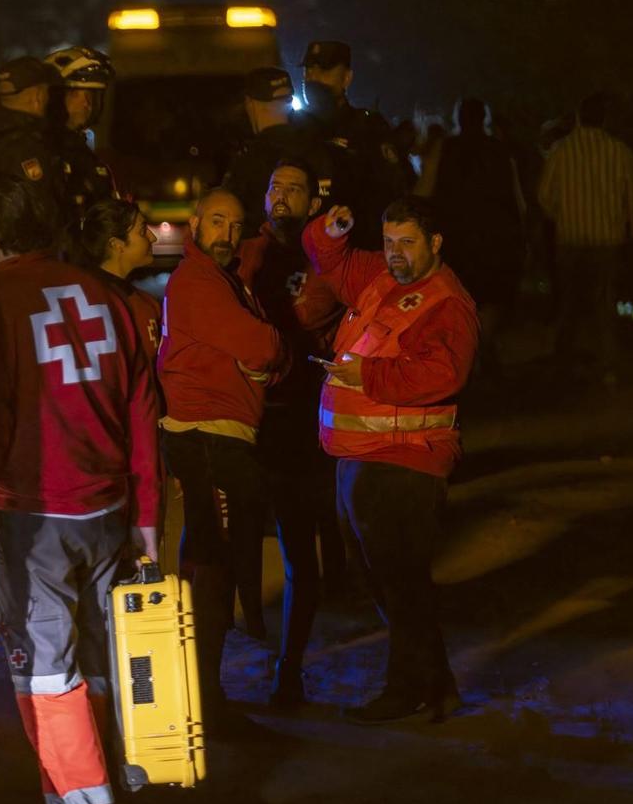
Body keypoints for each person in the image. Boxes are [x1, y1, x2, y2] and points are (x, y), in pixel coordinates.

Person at [0, 172, 159, 804]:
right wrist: (148, 520)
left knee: (42, 667)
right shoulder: (109, 294)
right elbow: (143, 414)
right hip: (107, 510)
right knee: (93, 664)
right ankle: (74, 803)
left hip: (35, 512)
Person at [304, 196, 479, 723]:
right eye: (388, 242)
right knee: (387, 582)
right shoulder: (383, 275)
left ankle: (410, 691)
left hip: (404, 461)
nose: (395, 254)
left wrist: (369, 378)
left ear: (435, 243)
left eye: (407, 243)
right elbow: (329, 263)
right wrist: (331, 230)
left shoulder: (447, 303)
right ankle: (432, 684)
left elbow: (444, 375)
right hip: (363, 456)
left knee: (400, 583)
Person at [158, 186, 286, 701]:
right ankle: (206, 696)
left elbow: (269, 359)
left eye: (235, 225)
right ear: (195, 223)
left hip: (216, 436)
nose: (227, 235)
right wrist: (269, 349)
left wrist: (266, 360)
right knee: (212, 570)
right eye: (216, 222)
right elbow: (265, 346)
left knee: (209, 563)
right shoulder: (199, 282)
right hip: (209, 438)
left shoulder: (223, 278)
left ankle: (203, 690)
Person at [237, 161, 344, 708]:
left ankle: (290, 666)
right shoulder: (243, 254)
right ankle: (247, 637)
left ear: (313, 203)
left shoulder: (328, 260)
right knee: (237, 542)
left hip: (303, 418)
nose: (282, 195)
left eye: (295, 188)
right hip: (249, 417)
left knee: (300, 548)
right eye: (275, 185)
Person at [537, 90, 633, 384]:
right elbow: (632, 196)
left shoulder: (561, 150)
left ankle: (563, 359)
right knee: (604, 303)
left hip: (570, 239)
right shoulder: (620, 151)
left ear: (580, 118)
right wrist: (631, 229)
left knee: (569, 301)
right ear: (605, 119)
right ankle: (608, 364)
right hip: (607, 240)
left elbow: (544, 195)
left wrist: (562, 216)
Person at [418, 97, 529, 377]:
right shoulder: (499, 150)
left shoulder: (445, 148)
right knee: (491, 296)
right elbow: (518, 198)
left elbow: (424, 190)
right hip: (495, 235)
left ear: (458, 119)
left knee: (460, 294)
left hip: (456, 235)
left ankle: (467, 352)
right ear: (484, 119)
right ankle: (484, 345)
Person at [295, 40, 409, 249]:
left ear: (347, 78)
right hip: (303, 251)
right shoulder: (294, 127)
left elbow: (394, 191)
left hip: (356, 250)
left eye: (324, 70)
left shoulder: (368, 128)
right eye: (309, 71)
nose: (313, 78)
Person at [219, 67, 330, 234]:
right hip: (318, 252)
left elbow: (228, 217)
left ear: (251, 103)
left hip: (266, 255)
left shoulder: (248, 162)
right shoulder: (322, 148)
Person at [0, 56, 67, 232]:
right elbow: (43, 207)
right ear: (37, 96)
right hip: (25, 250)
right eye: (47, 92)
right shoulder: (28, 145)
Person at [75, 197, 160, 365]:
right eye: (143, 231)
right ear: (116, 244)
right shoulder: (89, 305)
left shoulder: (147, 304)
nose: (153, 238)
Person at [45, 45, 123, 218]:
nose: (87, 104)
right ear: (55, 96)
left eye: (93, 95)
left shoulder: (84, 155)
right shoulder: (42, 153)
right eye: (75, 94)